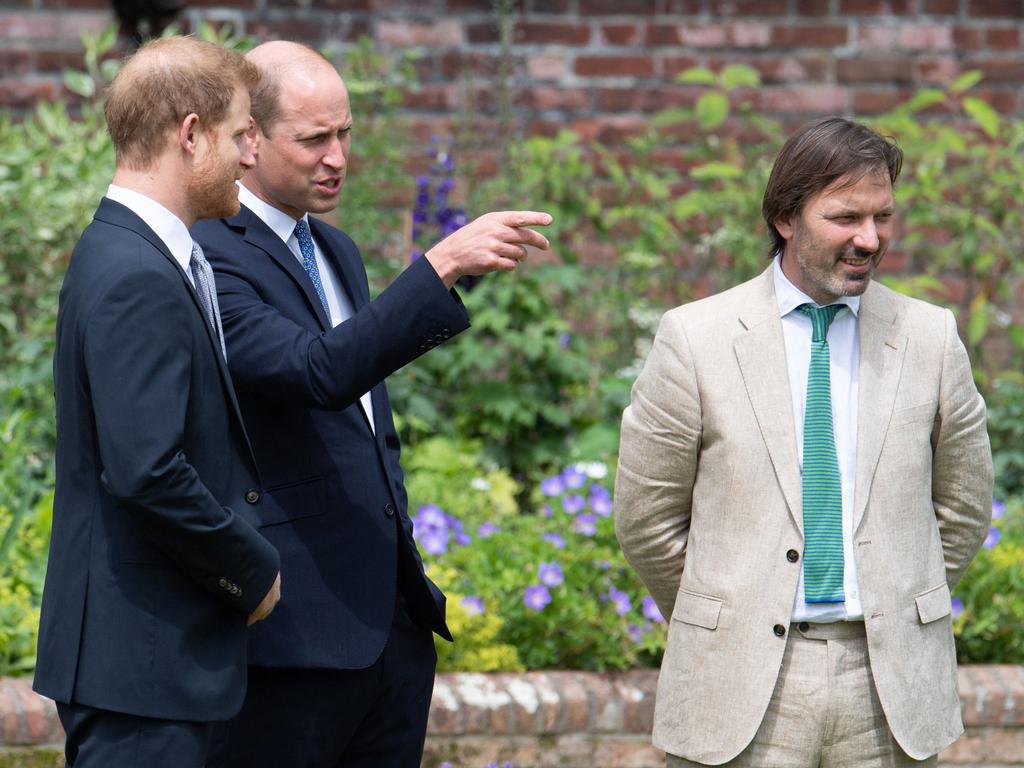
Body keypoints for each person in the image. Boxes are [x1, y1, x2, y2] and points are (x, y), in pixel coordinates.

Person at [192, 40, 552, 768]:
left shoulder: (335, 248)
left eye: (345, 133)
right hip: (289, 639)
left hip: (387, 632)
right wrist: (440, 266)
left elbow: (364, 423)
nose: (337, 157)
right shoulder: (208, 251)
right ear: (250, 141)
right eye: (314, 139)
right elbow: (316, 372)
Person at [614, 117, 993, 767]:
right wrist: (732, 608)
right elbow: (647, 519)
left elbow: (961, 510)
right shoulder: (695, 340)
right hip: (740, 686)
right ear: (786, 218)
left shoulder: (930, 338)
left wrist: (895, 596)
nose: (869, 239)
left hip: (888, 689)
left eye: (883, 217)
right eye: (846, 217)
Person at [33, 36, 282, 768]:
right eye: (241, 134)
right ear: (191, 134)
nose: (251, 154)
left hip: (146, 666)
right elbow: (145, 469)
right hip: (138, 671)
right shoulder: (135, 271)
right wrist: (253, 569)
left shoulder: (135, 251)